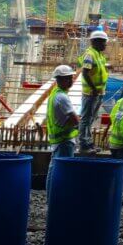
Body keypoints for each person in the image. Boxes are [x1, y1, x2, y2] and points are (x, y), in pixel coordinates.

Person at [47, 64, 79, 196]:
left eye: (71, 78)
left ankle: (51, 199)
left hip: (58, 141)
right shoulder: (62, 97)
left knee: (53, 170)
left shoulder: (54, 94)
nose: (71, 80)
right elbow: (75, 119)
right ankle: (59, 199)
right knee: (63, 172)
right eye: (68, 78)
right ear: (59, 79)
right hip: (64, 141)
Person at [76, 29, 109, 154]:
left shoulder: (98, 54)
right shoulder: (90, 54)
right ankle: (83, 144)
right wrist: (94, 88)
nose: (105, 45)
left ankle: (88, 143)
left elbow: (98, 69)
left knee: (91, 118)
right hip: (91, 93)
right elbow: (85, 72)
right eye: (103, 42)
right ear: (96, 42)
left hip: (98, 93)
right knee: (86, 119)